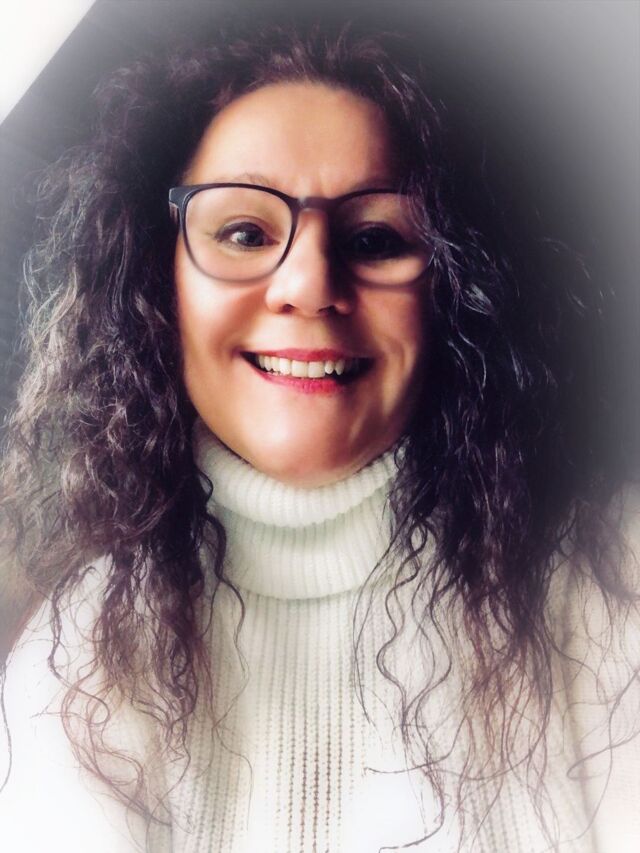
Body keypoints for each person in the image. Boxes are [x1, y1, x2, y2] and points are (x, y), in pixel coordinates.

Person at [0, 17, 638, 853]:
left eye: (376, 238)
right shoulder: (71, 670)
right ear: (160, 282)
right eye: (244, 232)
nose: (306, 284)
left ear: (456, 290)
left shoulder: (615, 579)